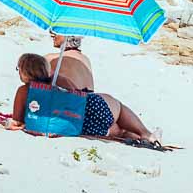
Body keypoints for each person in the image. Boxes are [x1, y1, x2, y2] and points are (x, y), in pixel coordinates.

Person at [8, 53, 156, 143]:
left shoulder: (24, 91)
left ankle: (135, 134)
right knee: (119, 108)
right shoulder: (57, 81)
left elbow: (17, 121)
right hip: (91, 109)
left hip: (82, 126)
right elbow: (77, 93)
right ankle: (145, 133)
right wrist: (54, 77)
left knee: (119, 131)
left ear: (24, 71)